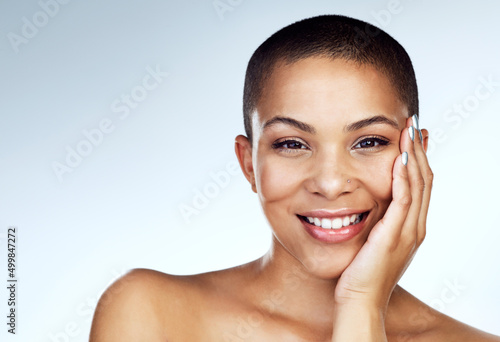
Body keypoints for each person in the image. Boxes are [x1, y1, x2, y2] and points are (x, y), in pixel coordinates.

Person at [89, 15, 500, 341]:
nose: (330, 182)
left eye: (369, 141)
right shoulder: (149, 313)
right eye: (291, 144)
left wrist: (361, 306)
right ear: (249, 164)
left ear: (417, 156)